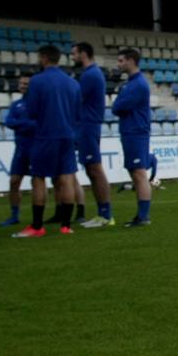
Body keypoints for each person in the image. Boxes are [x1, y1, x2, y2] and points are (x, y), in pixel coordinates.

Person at [13, 45, 81, 238]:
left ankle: (37, 226)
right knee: (67, 177)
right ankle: (66, 226)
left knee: (39, 178)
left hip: (45, 135)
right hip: (67, 135)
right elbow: (77, 113)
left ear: (44, 57)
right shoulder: (73, 83)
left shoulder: (37, 81)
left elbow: (32, 111)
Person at [71, 42, 115, 228]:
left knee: (95, 169)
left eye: (74, 53)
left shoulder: (90, 75)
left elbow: (75, 100)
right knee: (91, 169)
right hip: (86, 125)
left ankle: (106, 215)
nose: (72, 57)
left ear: (84, 54)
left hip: (88, 126)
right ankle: (102, 214)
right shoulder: (90, 74)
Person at [112, 47, 153, 227]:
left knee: (139, 173)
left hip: (136, 131)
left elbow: (117, 108)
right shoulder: (130, 83)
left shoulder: (138, 85)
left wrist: (118, 103)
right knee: (135, 173)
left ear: (130, 60)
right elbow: (118, 107)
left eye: (121, 60)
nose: (119, 64)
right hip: (130, 131)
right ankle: (141, 215)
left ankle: (143, 217)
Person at [0, 74, 36, 226]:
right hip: (20, 148)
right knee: (14, 181)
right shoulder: (16, 105)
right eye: (21, 83)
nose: (22, 86)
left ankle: (37, 215)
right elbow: (8, 122)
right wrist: (25, 124)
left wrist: (20, 124)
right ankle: (14, 215)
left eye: (26, 83)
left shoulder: (37, 104)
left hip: (35, 147)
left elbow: (37, 124)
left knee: (37, 182)